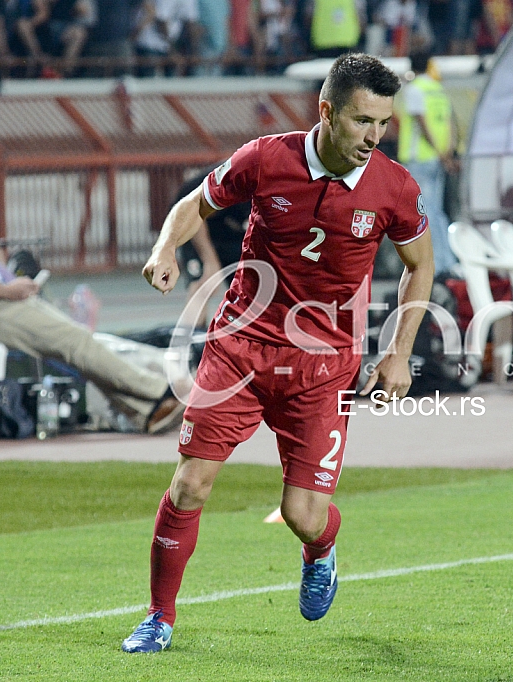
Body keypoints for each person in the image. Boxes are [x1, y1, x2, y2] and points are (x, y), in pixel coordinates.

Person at [122, 53, 434, 653]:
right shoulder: (267, 158)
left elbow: (420, 266)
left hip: (323, 365)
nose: (373, 137)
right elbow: (194, 205)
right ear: (327, 111)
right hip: (240, 345)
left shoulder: (394, 187)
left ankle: (321, 550)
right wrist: (166, 249)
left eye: (383, 124)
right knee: (190, 485)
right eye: (362, 121)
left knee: (304, 514)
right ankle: (160, 617)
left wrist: (399, 351)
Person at [0, 155, 184, 433]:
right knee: (77, 341)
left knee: (77, 345)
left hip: (6, 299)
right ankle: (159, 391)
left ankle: (144, 411)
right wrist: (6, 291)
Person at [396, 51, 457, 274]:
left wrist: (440, 154)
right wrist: (446, 154)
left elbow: (422, 125)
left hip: (419, 159)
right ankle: (448, 260)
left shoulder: (415, 90)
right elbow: (450, 125)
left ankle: (436, 263)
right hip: (437, 159)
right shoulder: (439, 91)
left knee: (425, 211)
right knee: (438, 211)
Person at [172, 166, 252, 328]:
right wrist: (210, 262)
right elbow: (196, 214)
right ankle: (191, 341)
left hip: (230, 229)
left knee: (248, 286)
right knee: (203, 283)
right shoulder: (234, 181)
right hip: (194, 221)